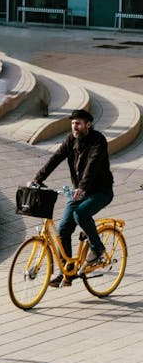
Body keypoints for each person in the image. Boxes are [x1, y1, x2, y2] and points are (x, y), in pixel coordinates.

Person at [31, 108, 114, 287]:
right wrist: (38, 178)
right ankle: (66, 272)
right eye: (72, 124)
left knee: (81, 214)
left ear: (88, 124)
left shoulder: (98, 141)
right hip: (80, 192)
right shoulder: (71, 140)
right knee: (63, 229)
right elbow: (56, 158)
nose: (74, 127)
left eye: (78, 123)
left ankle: (97, 248)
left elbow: (92, 165)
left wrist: (82, 188)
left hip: (101, 191)